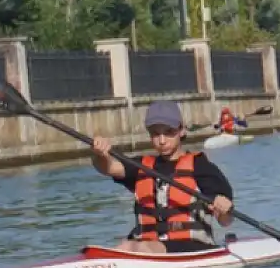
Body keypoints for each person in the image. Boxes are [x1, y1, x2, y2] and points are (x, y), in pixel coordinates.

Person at [89, 100, 235, 255]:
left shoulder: (201, 167)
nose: (162, 140)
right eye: (156, 134)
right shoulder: (142, 166)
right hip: (147, 246)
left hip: (194, 248)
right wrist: (99, 154)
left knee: (137, 248)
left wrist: (225, 208)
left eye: (169, 132)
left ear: (182, 130)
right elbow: (109, 167)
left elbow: (225, 221)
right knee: (126, 246)